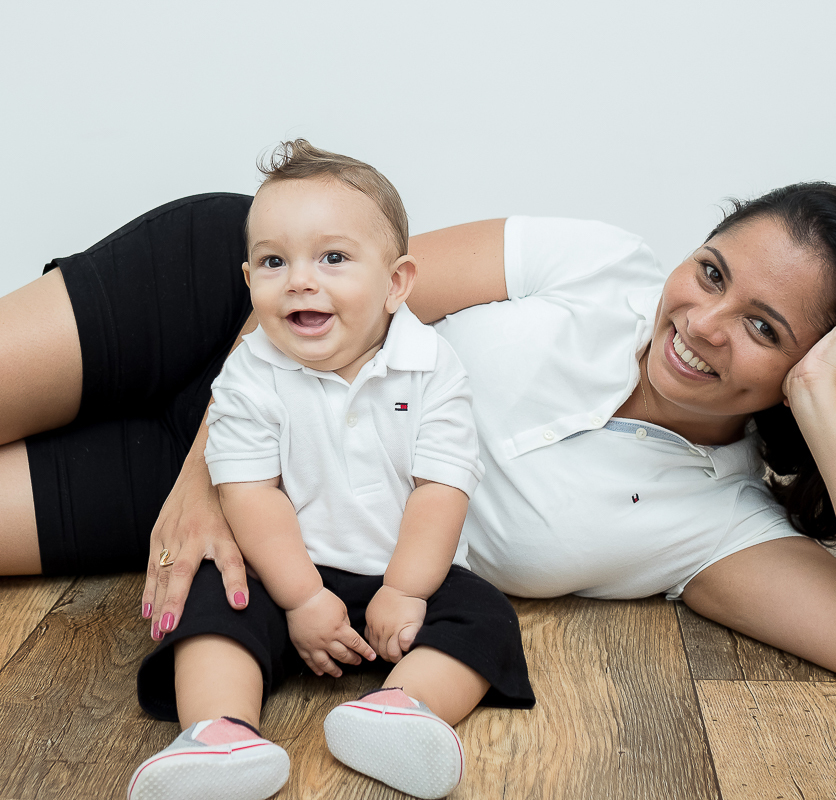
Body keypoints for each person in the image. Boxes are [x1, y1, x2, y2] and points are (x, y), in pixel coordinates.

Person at [0, 163, 836, 765]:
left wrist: (827, 403)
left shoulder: (711, 527)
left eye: (771, 332)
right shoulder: (596, 263)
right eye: (715, 271)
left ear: (811, 373)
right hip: (219, 322)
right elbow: (364, 283)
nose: (706, 323)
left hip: (249, 512)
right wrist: (202, 475)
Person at [126, 141, 532, 800]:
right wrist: (302, 598)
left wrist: (404, 589)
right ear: (249, 277)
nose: (300, 280)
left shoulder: (433, 365)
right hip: (285, 568)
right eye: (274, 261)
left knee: (484, 616)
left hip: (404, 572)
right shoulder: (250, 374)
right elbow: (251, 495)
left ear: (396, 283)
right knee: (214, 599)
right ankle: (218, 735)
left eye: (333, 258)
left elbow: (441, 488)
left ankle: (405, 708)